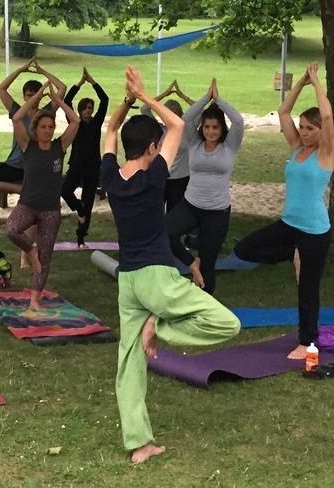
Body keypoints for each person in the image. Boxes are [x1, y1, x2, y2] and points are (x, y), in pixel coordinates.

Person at [101, 66, 240, 465]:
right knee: (226, 324)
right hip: (158, 278)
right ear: (150, 149)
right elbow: (178, 123)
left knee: (128, 364)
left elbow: (110, 134)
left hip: (127, 280)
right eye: (157, 145)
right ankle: (157, 325)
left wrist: (125, 102)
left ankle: (139, 444)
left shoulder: (111, 177)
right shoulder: (153, 177)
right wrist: (144, 97)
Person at [233, 62, 334, 360]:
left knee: (307, 289)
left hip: (315, 231)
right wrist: (300, 83)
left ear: (321, 132)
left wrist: (316, 82)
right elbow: (282, 112)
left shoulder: (326, 152)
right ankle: (291, 253)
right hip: (289, 225)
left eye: (310, 129)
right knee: (246, 249)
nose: (303, 133)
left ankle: (307, 342)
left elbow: (327, 115)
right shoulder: (296, 147)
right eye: (302, 127)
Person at [4, 81, 80, 308]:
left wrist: (58, 101)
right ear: (36, 128)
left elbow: (75, 121)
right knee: (11, 229)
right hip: (27, 204)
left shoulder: (60, 146)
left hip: (50, 211)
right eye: (43, 126)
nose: (47, 130)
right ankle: (29, 250)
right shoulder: (28, 145)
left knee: (45, 257)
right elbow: (17, 118)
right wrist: (36, 97)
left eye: (50, 126)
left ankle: (35, 300)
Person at [167, 78, 244, 294]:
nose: (210, 131)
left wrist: (218, 100)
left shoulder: (230, 146)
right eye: (207, 127)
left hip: (217, 213)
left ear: (221, 129)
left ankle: (205, 305)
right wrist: (206, 98)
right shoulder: (194, 142)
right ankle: (192, 263)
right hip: (190, 206)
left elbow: (238, 121)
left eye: (215, 127)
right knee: (164, 233)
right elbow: (186, 118)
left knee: (209, 265)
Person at [0, 59, 66, 196]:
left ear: (40, 96)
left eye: (36, 95)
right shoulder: (17, 111)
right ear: (24, 96)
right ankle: (21, 190)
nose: (32, 98)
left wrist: (42, 71)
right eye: (29, 95)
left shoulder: (45, 113)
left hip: (35, 166)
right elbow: (1, 88)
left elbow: (62, 88)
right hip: (14, 164)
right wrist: (20, 70)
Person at [61, 68, 108, 247]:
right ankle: (78, 208)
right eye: (85, 108)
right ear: (80, 110)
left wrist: (93, 82)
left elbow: (105, 100)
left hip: (93, 167)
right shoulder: (75, 122)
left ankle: (81, 238)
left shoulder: (96, 124)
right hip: (76, 165)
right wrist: (80, 83)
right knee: (65, 190)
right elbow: (67, 101)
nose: (88, 111)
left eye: (90, 108)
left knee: (88, 202)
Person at [141, 80, 196, 210]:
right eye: (165, 114)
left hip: (180, 180)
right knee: (156, 211)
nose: (168, 118)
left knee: (175, 213)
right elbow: (145, 108)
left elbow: (202, 109)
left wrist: (182, 96)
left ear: (180, 115)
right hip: (161, 178)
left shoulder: (187, 129)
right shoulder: (159, 129)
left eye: (172, 114)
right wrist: (165, 94)